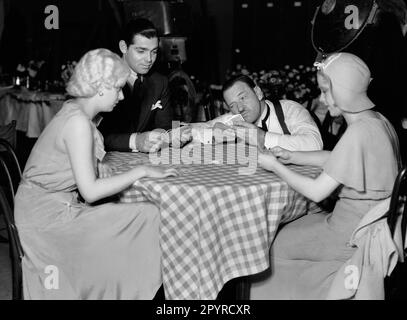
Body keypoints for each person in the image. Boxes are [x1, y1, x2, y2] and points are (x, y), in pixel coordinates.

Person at [14, 48, 178, 300]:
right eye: (118, 89)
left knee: (141, 216)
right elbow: (90, 192)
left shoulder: (74, 110)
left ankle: (121, 289)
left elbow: (65, 164)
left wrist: (100, 168)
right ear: (101, 87)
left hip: (43, 207)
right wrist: (141, 170)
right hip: (46, 220)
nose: (122, 97)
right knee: (147, 215)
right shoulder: (79, 123)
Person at [250, 52, 400, 299]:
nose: (321, 99)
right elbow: (339, 157)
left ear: (343, 91)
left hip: (348, 234)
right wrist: (293, 156)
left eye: (326, 91)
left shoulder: (357, 133)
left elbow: (317, 191)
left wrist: (275, 166)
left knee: (267, 246)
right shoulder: (377, 121)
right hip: (371, 224)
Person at [98, 18, 179, 153]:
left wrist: (165, 136)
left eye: (154, 52)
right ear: (123, 47)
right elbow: (94, 134)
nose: (149, 59)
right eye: (141, 51)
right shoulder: (102, 78)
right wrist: (136, 141)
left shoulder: (160, 82)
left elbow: (165, 125)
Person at [192, 74, 323, 151]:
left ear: (258, 93)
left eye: (243, 98)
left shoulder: (290, 110)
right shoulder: (235, 119)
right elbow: (200, 128)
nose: (239, 109)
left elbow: (315, 144)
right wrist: (212, 136)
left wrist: (263, 137)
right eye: (232, 105)